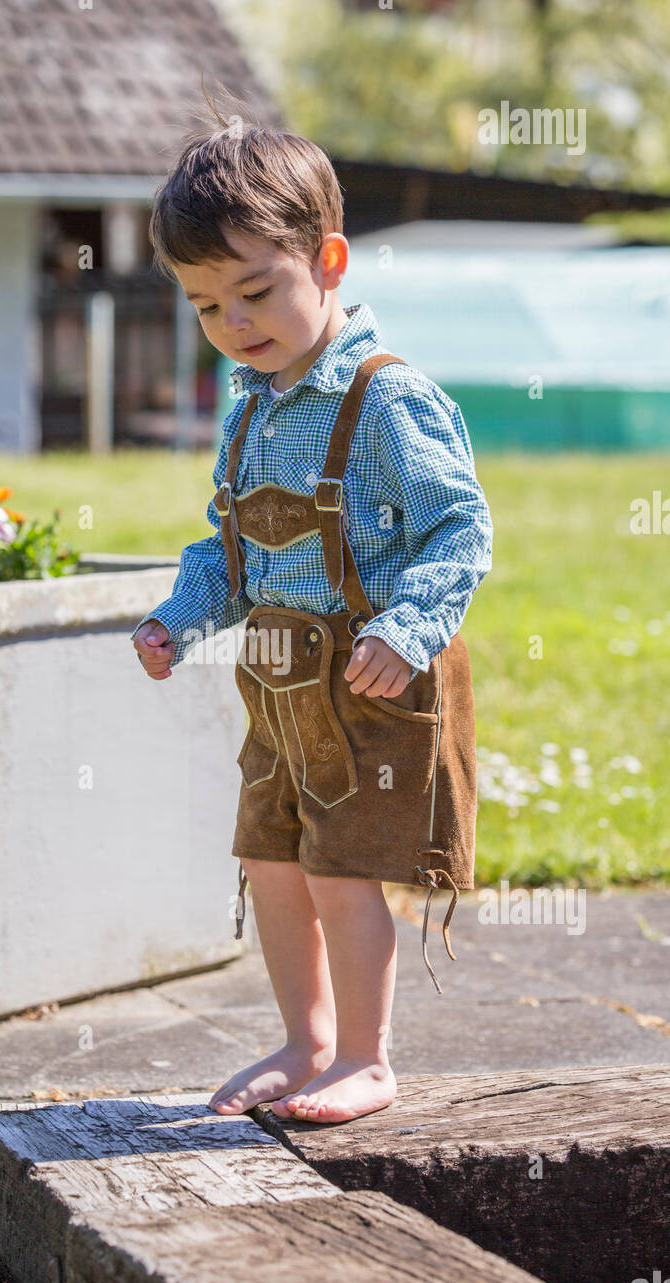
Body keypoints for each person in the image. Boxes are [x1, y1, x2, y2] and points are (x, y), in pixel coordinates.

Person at [131, 115, 493, 1124]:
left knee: (341, 871)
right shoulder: (246, 409)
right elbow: (230, 552)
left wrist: (405, 629)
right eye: (205, 305)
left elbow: (458, 529)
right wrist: (178, 618)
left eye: (255, 291)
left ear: (326, 260)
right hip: (278, 682)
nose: (234, 323)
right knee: (270, 860)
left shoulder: (385, 401)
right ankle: (303, 1041)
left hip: (368, 681)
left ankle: (367, 1060)